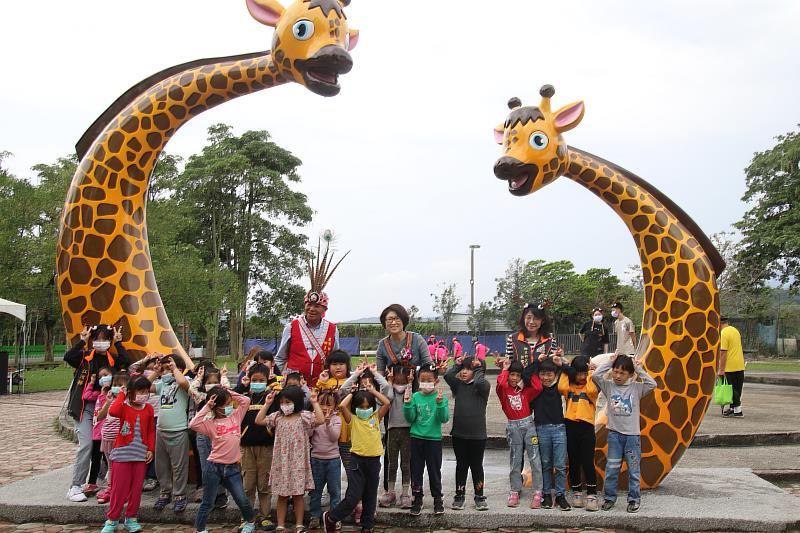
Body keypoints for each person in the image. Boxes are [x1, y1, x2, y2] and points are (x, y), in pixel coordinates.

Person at [64, 324, 130, 503]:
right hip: (86, 407)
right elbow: (68, 357)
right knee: (86, 445)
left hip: (107, 407)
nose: (101, 342)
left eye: (105, 339)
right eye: (97, 339)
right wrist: (82, 341)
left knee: (109, 447)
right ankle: (75, 485)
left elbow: (128, 361)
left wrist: (119, 342)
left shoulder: (113, 359)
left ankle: (111, 483)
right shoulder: (84, 357)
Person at [323, 383, 392, 533]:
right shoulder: (353, 419)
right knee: (353, 496)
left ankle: (367, 526)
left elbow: (386, 403)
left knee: (370, 495)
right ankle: (331, 517)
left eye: (368, 407)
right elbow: (342, 406)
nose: (365, 410)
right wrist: (352, 393)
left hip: (374, 461)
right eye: (361, 407)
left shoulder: (375, 417)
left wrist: (373, 391)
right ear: (355, 407)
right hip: (357, 461)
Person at [256, 386, 324, 533]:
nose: (285, 405)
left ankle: (299, 524)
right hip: (282, 462)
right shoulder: (277, 417)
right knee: (282, 495)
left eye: (288, 402)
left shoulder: (303, 416)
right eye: (282, 402)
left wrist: (315, 402)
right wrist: (267, 404)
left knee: (298, 494)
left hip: (298, 462)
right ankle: (281, 524)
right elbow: (259, 420)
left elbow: (320, 419)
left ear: (297, 402)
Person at [593, 354, 656, 513]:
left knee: (633, 470)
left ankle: (634, 500)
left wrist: (638, 369)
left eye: (622, 373)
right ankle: (609, 498)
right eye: (615, 372)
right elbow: (595, 375)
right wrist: (610, 362)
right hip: (614, 436)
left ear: (630, 374)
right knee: (612, 469)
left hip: (632, 437)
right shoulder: (609, 386)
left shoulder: (636, 388)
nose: (618, 376)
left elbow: (652, 383)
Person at [189, 387, 257, 533]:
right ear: (217, 408)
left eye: (230, 403)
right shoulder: (210, 424)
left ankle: (250, 522)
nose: (229, 407)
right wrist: (207, 406)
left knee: (242, 499)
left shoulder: (236, 417)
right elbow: (193, 424)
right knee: (207, 502)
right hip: (213, 467)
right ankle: (199, 529)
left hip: (232, 468)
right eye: (225, 405)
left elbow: (246, 400)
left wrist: (228, 392)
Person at [100, 376, 155, 533]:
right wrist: (122, 394)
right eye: (140, 391)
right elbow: (113, 411)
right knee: (119, 489)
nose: (143, 394)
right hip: (122, 455)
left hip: (140, 455)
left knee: (136, 489)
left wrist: (150, 449)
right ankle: (112, 520)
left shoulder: (149, 409)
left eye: (146, 391)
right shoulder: (123, 407)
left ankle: (131, 518)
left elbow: (151, 431)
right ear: (131, 392)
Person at [523, 353, 571, 511]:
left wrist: (561, 363)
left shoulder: (558, 387)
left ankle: (560, 495)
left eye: (549, 374)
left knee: (560, 465)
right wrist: (539, 361)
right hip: (541, 429)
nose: (546, 378)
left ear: (555, 374)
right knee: (545, 464)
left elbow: (572, 374)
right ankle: (546, 495)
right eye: (542, 374)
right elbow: (526, 373)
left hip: (559, 429)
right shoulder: (536, 389)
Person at [444, 356, 491, 511]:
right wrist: (457, 364)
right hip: (459, 434)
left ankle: (479, 496)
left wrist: (478, 369)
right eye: (463, 369)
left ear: (478, 371)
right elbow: (447, 375)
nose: (464, 372)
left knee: (476, 466)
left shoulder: (483, 386)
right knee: (461, 465)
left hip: (478, 435)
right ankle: (459, 495)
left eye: (468, 369)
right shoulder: (458, 385)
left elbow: (478, 381)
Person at [237, 363, 280, 531]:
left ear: (267, 380)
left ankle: (265, 516)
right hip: (246, 446)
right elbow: (231, 395)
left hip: (266, 446)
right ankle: (246, 517)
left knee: (264, 484)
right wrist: (242, 384)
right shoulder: (243, 397)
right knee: (248, 485)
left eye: (261, 380)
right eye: (254, 380)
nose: (257, 383)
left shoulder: (273, 397)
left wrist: (274, 385)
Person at [496, 358, 543, 508]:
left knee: (535, 459)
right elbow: (501, 383)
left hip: (529, 426)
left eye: (518, 375)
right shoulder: (503, 391)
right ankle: (515, 491)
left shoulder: (525, 391)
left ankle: (538, 492)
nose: (515, 378)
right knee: (515, 461)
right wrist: (505, 369)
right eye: (512, 375)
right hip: (513, 428)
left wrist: (530, 372)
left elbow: (538, 387)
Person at [403, 363, 449, 516]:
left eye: (429, 380)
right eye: (423, 380)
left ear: (436, 381)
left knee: (434, 470)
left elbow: (444, 419)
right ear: (418, 380)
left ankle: (437, 499)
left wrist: (440, 404)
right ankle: (417, 498)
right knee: (416, 471)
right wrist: (408, 404)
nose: (426, 383)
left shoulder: (440, 398)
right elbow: (410, 418)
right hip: (416, 438)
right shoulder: (415, 396)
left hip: (434, 440)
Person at [559, 355, 600, 511]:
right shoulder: (568, 387)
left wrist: (590, 373)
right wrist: (566, 370)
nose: (582, 377)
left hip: (586, 428)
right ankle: (576, 492)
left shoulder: (591, 388)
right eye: (579, 373)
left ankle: (591, 493)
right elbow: (561, 387)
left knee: (588, 462)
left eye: (584, 373)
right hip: (570, 426)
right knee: (574, 461)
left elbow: (591, 389)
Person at [151, 354, 191, 513]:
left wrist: (174, 369)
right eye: (165, 368)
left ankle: (180, 494)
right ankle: (164, 492)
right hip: (161, 430)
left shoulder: (185, 382)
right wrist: (156, 372)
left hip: (178, 430)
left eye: (169, 368)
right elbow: (144, 386)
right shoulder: (162, 384)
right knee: (161, 465)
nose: (166, 371)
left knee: (179, 465)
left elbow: (182, 382)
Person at [188, 363, 232, 507]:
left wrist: (223, 376)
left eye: (215, 382)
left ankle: (220, 494)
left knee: (220, 465)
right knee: (206, 467)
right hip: (202, 435)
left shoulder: (223, 397)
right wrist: (199, 377)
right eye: (209, 383)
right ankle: (209, 495)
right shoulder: (202, 397)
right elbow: (192, 388)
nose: (212, 385)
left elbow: (227, 388)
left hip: (219, 435)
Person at [275, 291, 340, 387]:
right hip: (294, 386)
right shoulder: (291, 327)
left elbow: (337, 359)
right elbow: (280, 358)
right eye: (309, 305)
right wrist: (276, 382)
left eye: (317, 306)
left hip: (322, 385)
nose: (312, 309)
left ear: (324, 309)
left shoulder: (332, 329)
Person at [379, 365, 413, 509]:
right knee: (391, 463)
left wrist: (410, 384)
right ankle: (390, 491)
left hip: (407, 431)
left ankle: (405, 493)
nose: (400, 384)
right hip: (392, 430)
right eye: (397, 380)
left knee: (406, 464)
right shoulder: (390, 391)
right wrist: (389, 382)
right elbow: (389, 398)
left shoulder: (410, 391)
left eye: (402, 380)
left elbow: (410, 400)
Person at [95, 370, 130, 504]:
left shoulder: (127, 402)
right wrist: (108, 402)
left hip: (120, 439)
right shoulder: (111, 400)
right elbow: (100, 416)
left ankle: (123, 491)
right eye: (114, 384)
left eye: (120, 385)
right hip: (107, 438)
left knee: (121, 466)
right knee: (111, 466)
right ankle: (110, 488)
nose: (116, 387)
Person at [308, 391, 342, 530]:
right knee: (315, 491)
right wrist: (316, 422)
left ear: (335, 407)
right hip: (316, 459)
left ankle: (334, 517)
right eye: (322, 403)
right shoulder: (313, 417)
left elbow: (335, 437)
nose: (325, 407)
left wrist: (327, 423)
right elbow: (309, 435)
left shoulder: (336, 419)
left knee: (335, 491)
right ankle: (314, 516)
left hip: (333, 459)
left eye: (329, 404)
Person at [375, 304, 433, 375]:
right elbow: (380, 373)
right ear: (384, 323)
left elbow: (429, 365)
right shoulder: (382, 345)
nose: (393, 322)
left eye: (397, 319)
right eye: (390, 319)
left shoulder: (417, 339)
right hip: (392, 384)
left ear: (403, 320)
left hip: (418, 383)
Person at [83, 366, 113, 497]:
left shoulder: (112, 394)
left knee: (109, 461)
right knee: (95, 459)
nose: (103, 379)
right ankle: (92, 482)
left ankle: (112, 485)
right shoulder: (98, 394)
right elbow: (86, 395)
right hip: (96, 434)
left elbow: (106, 404)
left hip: (107, 434)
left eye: (106, 375)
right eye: (101, 377)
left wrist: (105, 392)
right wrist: (92, 382)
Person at [718, 316, 745, 418]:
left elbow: (723, 352)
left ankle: (738, 411)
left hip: (730, 365)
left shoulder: (723, 333)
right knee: (737, 388)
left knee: (731, 389)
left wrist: (721, 369)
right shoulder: (735, 330)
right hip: (740, 364)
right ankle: (733, 408)